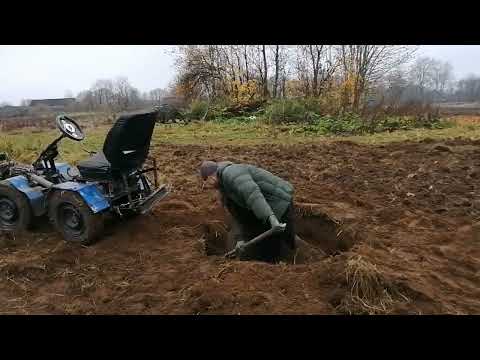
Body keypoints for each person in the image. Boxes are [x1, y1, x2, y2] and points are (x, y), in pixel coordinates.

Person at [200, 160, 296, 263]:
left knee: (283, 240)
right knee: (257, 242)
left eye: (206, 183)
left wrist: (271, 218)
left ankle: (293, 256)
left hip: (278, 200)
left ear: (210, 177)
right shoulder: (224, 190)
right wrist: (240, 239)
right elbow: (237, 216)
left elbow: (253, 195)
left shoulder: (232, 173)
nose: (208, 187)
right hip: (263, 207)